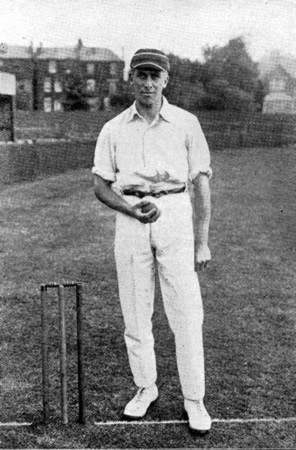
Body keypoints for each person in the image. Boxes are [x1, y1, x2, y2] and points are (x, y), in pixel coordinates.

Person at [92, 48, 212, 433]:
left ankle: (195, 400)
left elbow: (201, 183)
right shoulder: (114, 127)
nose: (147, 83)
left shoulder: (186, 123)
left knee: (187, 314)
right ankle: (146, 388)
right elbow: (100, 185)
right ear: (132, 79)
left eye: (154, 76)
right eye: (140, 76)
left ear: (165, 80)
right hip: (131, 220)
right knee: (135, 312)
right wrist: (130, 209)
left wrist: (202, 242)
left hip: (175, 214)